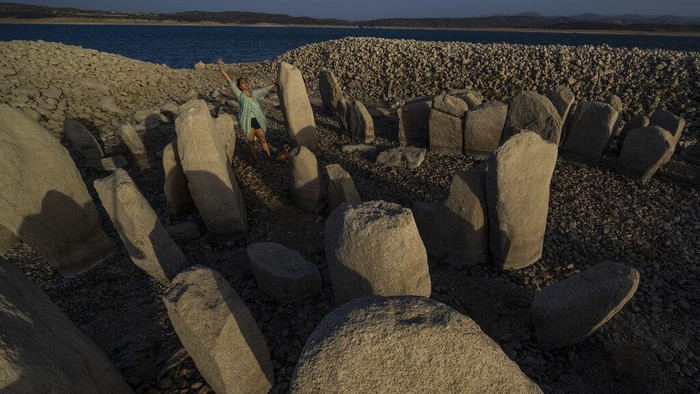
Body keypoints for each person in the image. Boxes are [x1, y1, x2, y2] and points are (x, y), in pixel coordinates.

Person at [217, 57, 276, 162]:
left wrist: (275, 83)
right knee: (251, 140)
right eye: (243, 83)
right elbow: (230, 81)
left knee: (263, 139)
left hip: (258, 119)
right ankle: (255, 157)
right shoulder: (240, 95)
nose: (245, 84)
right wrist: (221, 68)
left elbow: (265, 89)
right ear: (239, 87)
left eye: (246, 82)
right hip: (247, 120)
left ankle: (268, 156)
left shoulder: (254, 93)